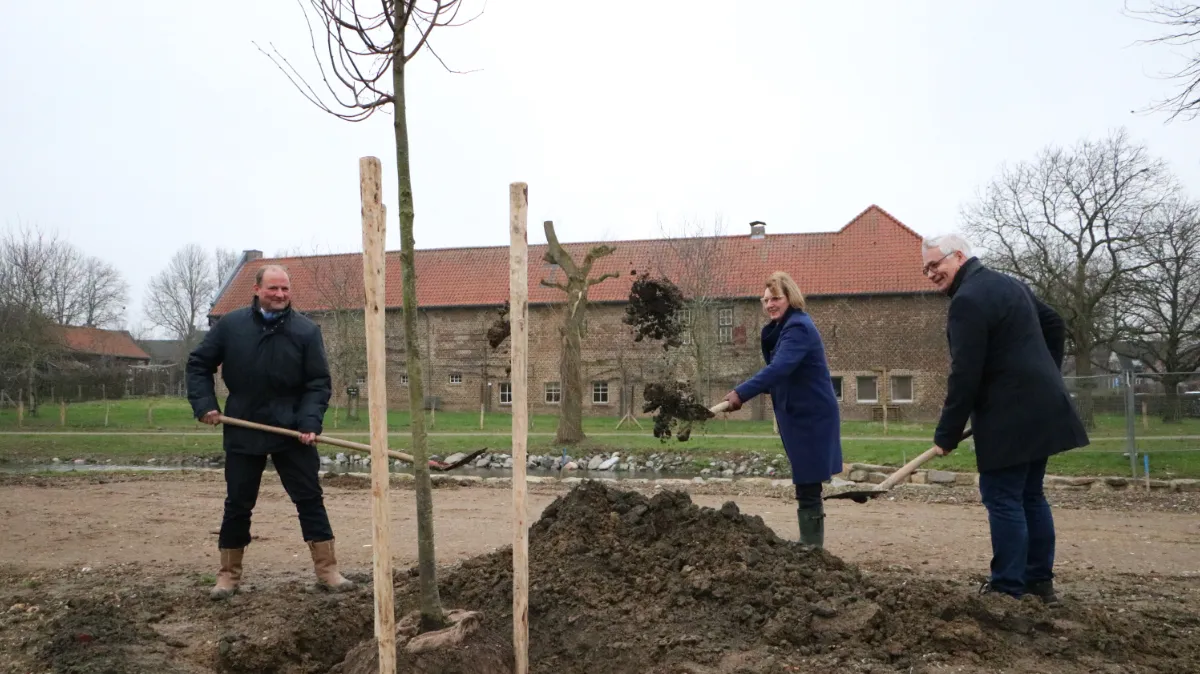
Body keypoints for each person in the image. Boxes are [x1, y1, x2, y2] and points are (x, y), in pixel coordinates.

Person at [921, 234, 1089, 603]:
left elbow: (964, 374)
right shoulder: (1009, 284)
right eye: (926, 269)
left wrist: (946, 433)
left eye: (936, 264)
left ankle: (1007, 587)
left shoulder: (967, 301)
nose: (931, 273)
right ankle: (1038, 582)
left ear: (959, 256)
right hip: (1041, 405)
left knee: (1004, 497)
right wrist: (1044, 372)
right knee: (1029, 494)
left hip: (1009, 415)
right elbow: (1055, 323)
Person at [186, 264, 355, 600]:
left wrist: (309, 422)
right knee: (238, 503)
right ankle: (228, 575)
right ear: (257, 289)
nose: (279, 295)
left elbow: (318, 382)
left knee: (310, 499)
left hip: (292, 431)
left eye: (285, 290)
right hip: (243, 425)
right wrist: (205, 404)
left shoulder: (306, 331)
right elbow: (198, 365)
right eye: (273, 289)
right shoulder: (230, 326)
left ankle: (328, 570)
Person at [723, 271, 843, 548]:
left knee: (808, 477)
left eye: (775, 298)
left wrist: (741, 393)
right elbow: (783, 374)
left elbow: (779, 369)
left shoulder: (798, 327)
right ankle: (810, 542)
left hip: (811, 415)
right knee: (806, 477)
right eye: (766, 300)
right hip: (798, 411)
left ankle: (812, 545)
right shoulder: (784, 328)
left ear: (790, 297)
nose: (770, 305)